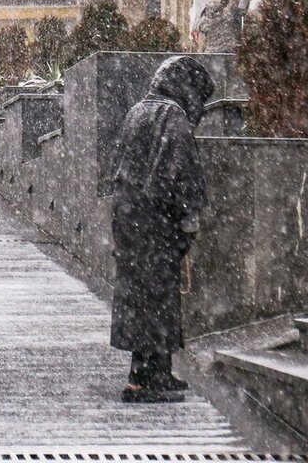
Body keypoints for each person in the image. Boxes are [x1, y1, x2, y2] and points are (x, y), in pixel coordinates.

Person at [110, 55, 215, 404]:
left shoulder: (138, 111)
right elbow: (179, 173)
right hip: (156, 221)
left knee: (142, 296)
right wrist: (187, 222)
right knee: (158, 298)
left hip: (129, 218)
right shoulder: (174, 118)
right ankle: (143, 379)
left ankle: (157, 371)